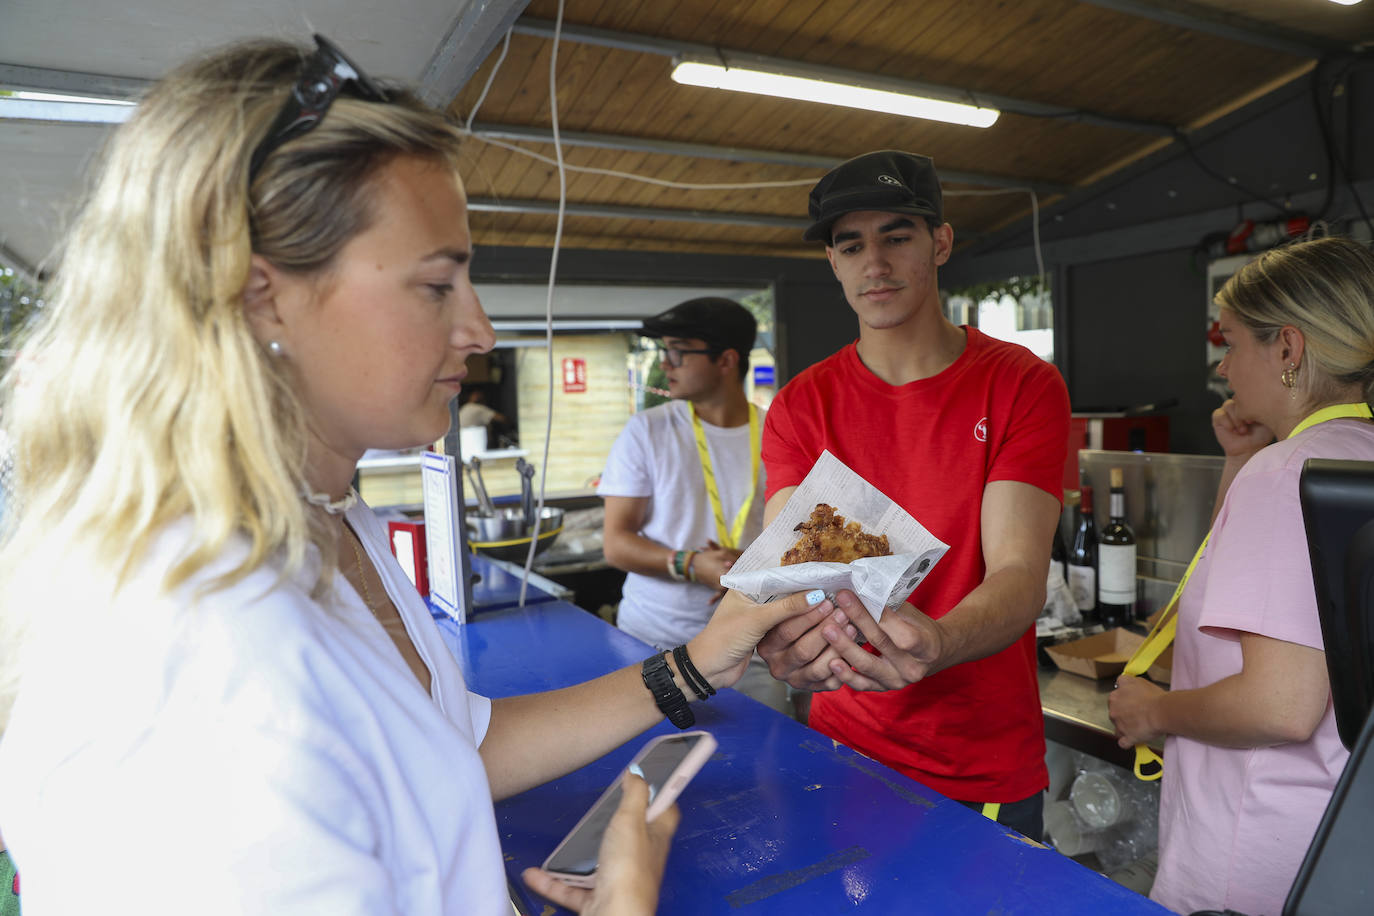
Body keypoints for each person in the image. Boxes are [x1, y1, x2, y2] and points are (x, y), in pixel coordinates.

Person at [0, 36, 819, 916]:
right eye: (437, 286)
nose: (479, 331)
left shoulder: (324, 515)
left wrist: (694, 665)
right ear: (261, 293)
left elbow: (451, 748)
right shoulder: (200, 672)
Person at [756, 150, 1070, 840]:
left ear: (941, 242)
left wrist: (940, 638)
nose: (875, 262)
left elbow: (1019, 572)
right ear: (833, 263)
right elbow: (789, 573)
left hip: (981, 766)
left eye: (897, 236)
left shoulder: (1020, 384)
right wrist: (778, 636)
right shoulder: (802, 406)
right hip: (845, 756)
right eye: (851, 244)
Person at [1109, 236, 1374, 916]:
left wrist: (1154, 712)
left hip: (1251, 858)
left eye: (1230, 344)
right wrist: (1242, 460)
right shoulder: (1344, 455)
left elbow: (1278, 706)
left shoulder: (1287, 474)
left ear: (1288, 349)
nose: (1223, 369)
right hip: (1335, 837)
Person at [599, 298, 789, 714]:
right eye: (665, 351)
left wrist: (753, 564)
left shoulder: (778, 431)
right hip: (654, 643)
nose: (666, 364)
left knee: (767, 765)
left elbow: (796, 536)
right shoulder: (648, 430)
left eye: (679, 352)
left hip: (752, 644)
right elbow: (616, 542)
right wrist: (690, 564)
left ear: (726, 360)